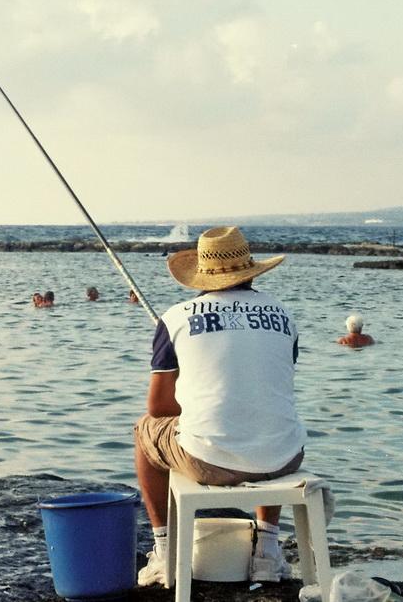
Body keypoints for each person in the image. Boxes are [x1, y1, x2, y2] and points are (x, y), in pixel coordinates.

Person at [135, 227, 306, 587]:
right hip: (286, 456)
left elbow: (159, 408)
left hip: (208, 463)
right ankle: (267, 553)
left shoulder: (176, 317)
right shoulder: (284, 314)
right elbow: (266, 384)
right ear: (250, 270)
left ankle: (165, 553)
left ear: (201, 273)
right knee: (265, 421)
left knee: (143, 432)